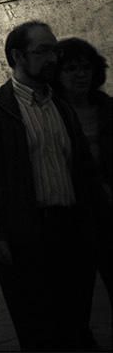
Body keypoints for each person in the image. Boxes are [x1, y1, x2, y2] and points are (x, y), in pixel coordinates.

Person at [0, 20, 99, 351]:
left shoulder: (61, 108)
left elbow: (80, 170)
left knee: (75, 322)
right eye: (43, 51)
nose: (53, 58)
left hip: (71, 231)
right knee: (37, 328)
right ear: (17, 56)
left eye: (55, 50)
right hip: (25, 233)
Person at [53, 37, 112, 307]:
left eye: (85, 68)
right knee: (76, 293)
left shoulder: (107, 108)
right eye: (71, 69)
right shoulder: (51, 113)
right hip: (73, 213)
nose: (80, 75)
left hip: (108, 209)